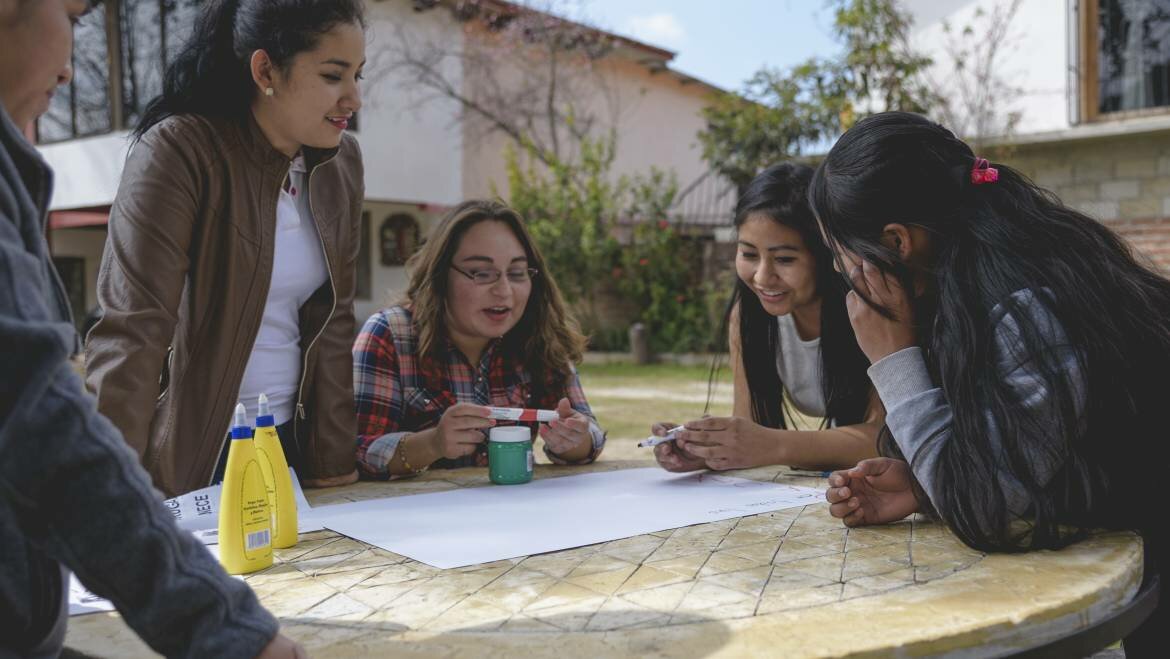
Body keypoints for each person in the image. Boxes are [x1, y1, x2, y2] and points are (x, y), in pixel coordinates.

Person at [0, 1, 300, 656]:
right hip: (183, 491)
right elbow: (47, 415)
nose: (73, 69)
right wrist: (216, 622)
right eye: (75, 20)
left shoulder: (330, 173)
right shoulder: (176, 151)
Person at [814, 111, 1170, 655]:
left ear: (896, 241)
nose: (842, 273)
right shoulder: (983, 280)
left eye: (840, 254)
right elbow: (1033, 454)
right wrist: (928, 484)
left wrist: (894, 358)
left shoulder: (1027, 306)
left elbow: (988, 514)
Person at [85, 0, 367, 497]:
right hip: (194, 457)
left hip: (293, 449)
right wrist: (108, 495)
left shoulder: (340, 164)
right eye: (332, 76)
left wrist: (333, 461)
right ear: (265, 70)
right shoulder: (179, 151)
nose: (353, 99)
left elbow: (336, 321)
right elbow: (132, 333)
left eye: (359, 77)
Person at [650, 163, 881, 473]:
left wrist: (774, 445)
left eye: (784, 259)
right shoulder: (747, 314)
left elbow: (889, 438)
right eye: (748, 254)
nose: (762, 276)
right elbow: (750, 426)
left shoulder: (871, 309)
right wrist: (708, 450)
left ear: (825, 256)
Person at [353, 200, 606, 477]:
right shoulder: (390, 334)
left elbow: (589, 432)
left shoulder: (539, 332)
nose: (504, 291)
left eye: (517, 273)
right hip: (417, 516)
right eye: (482, 273)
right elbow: (357, 452)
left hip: (515, 512)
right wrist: (433, 443)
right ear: (440, 275)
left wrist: (574, 440)